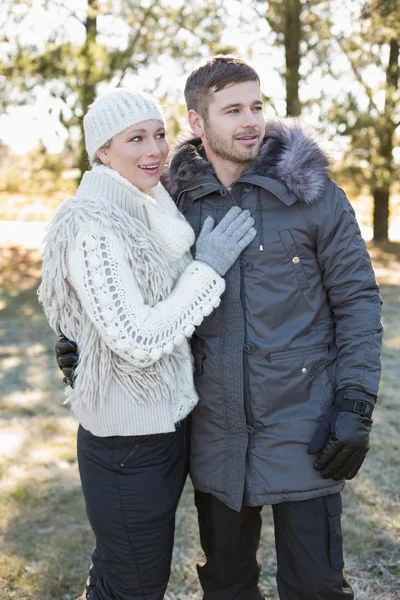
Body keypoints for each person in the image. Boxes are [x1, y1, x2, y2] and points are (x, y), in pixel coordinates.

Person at [56, 57, 383, 600]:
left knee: (317, 586)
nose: (251, 120)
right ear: (197, 122)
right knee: (227, 585)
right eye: (232, 110)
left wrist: (354, 400)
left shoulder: (315, 194)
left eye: (257, 106)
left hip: (308, 424)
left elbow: (356, 300)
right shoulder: (169, 204)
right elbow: (124, 288)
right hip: (215, 432)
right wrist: (77, 339)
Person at [38, 87, 256, 600]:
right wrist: (210, 266)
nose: (154, 149)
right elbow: (136, 338)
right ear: (103, 152)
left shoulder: (152, 207)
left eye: (159, 134)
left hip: (167, 426)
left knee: (124, 573)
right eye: (135, 138)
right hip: (125, 446)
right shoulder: (93, 224)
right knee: (132, 586)